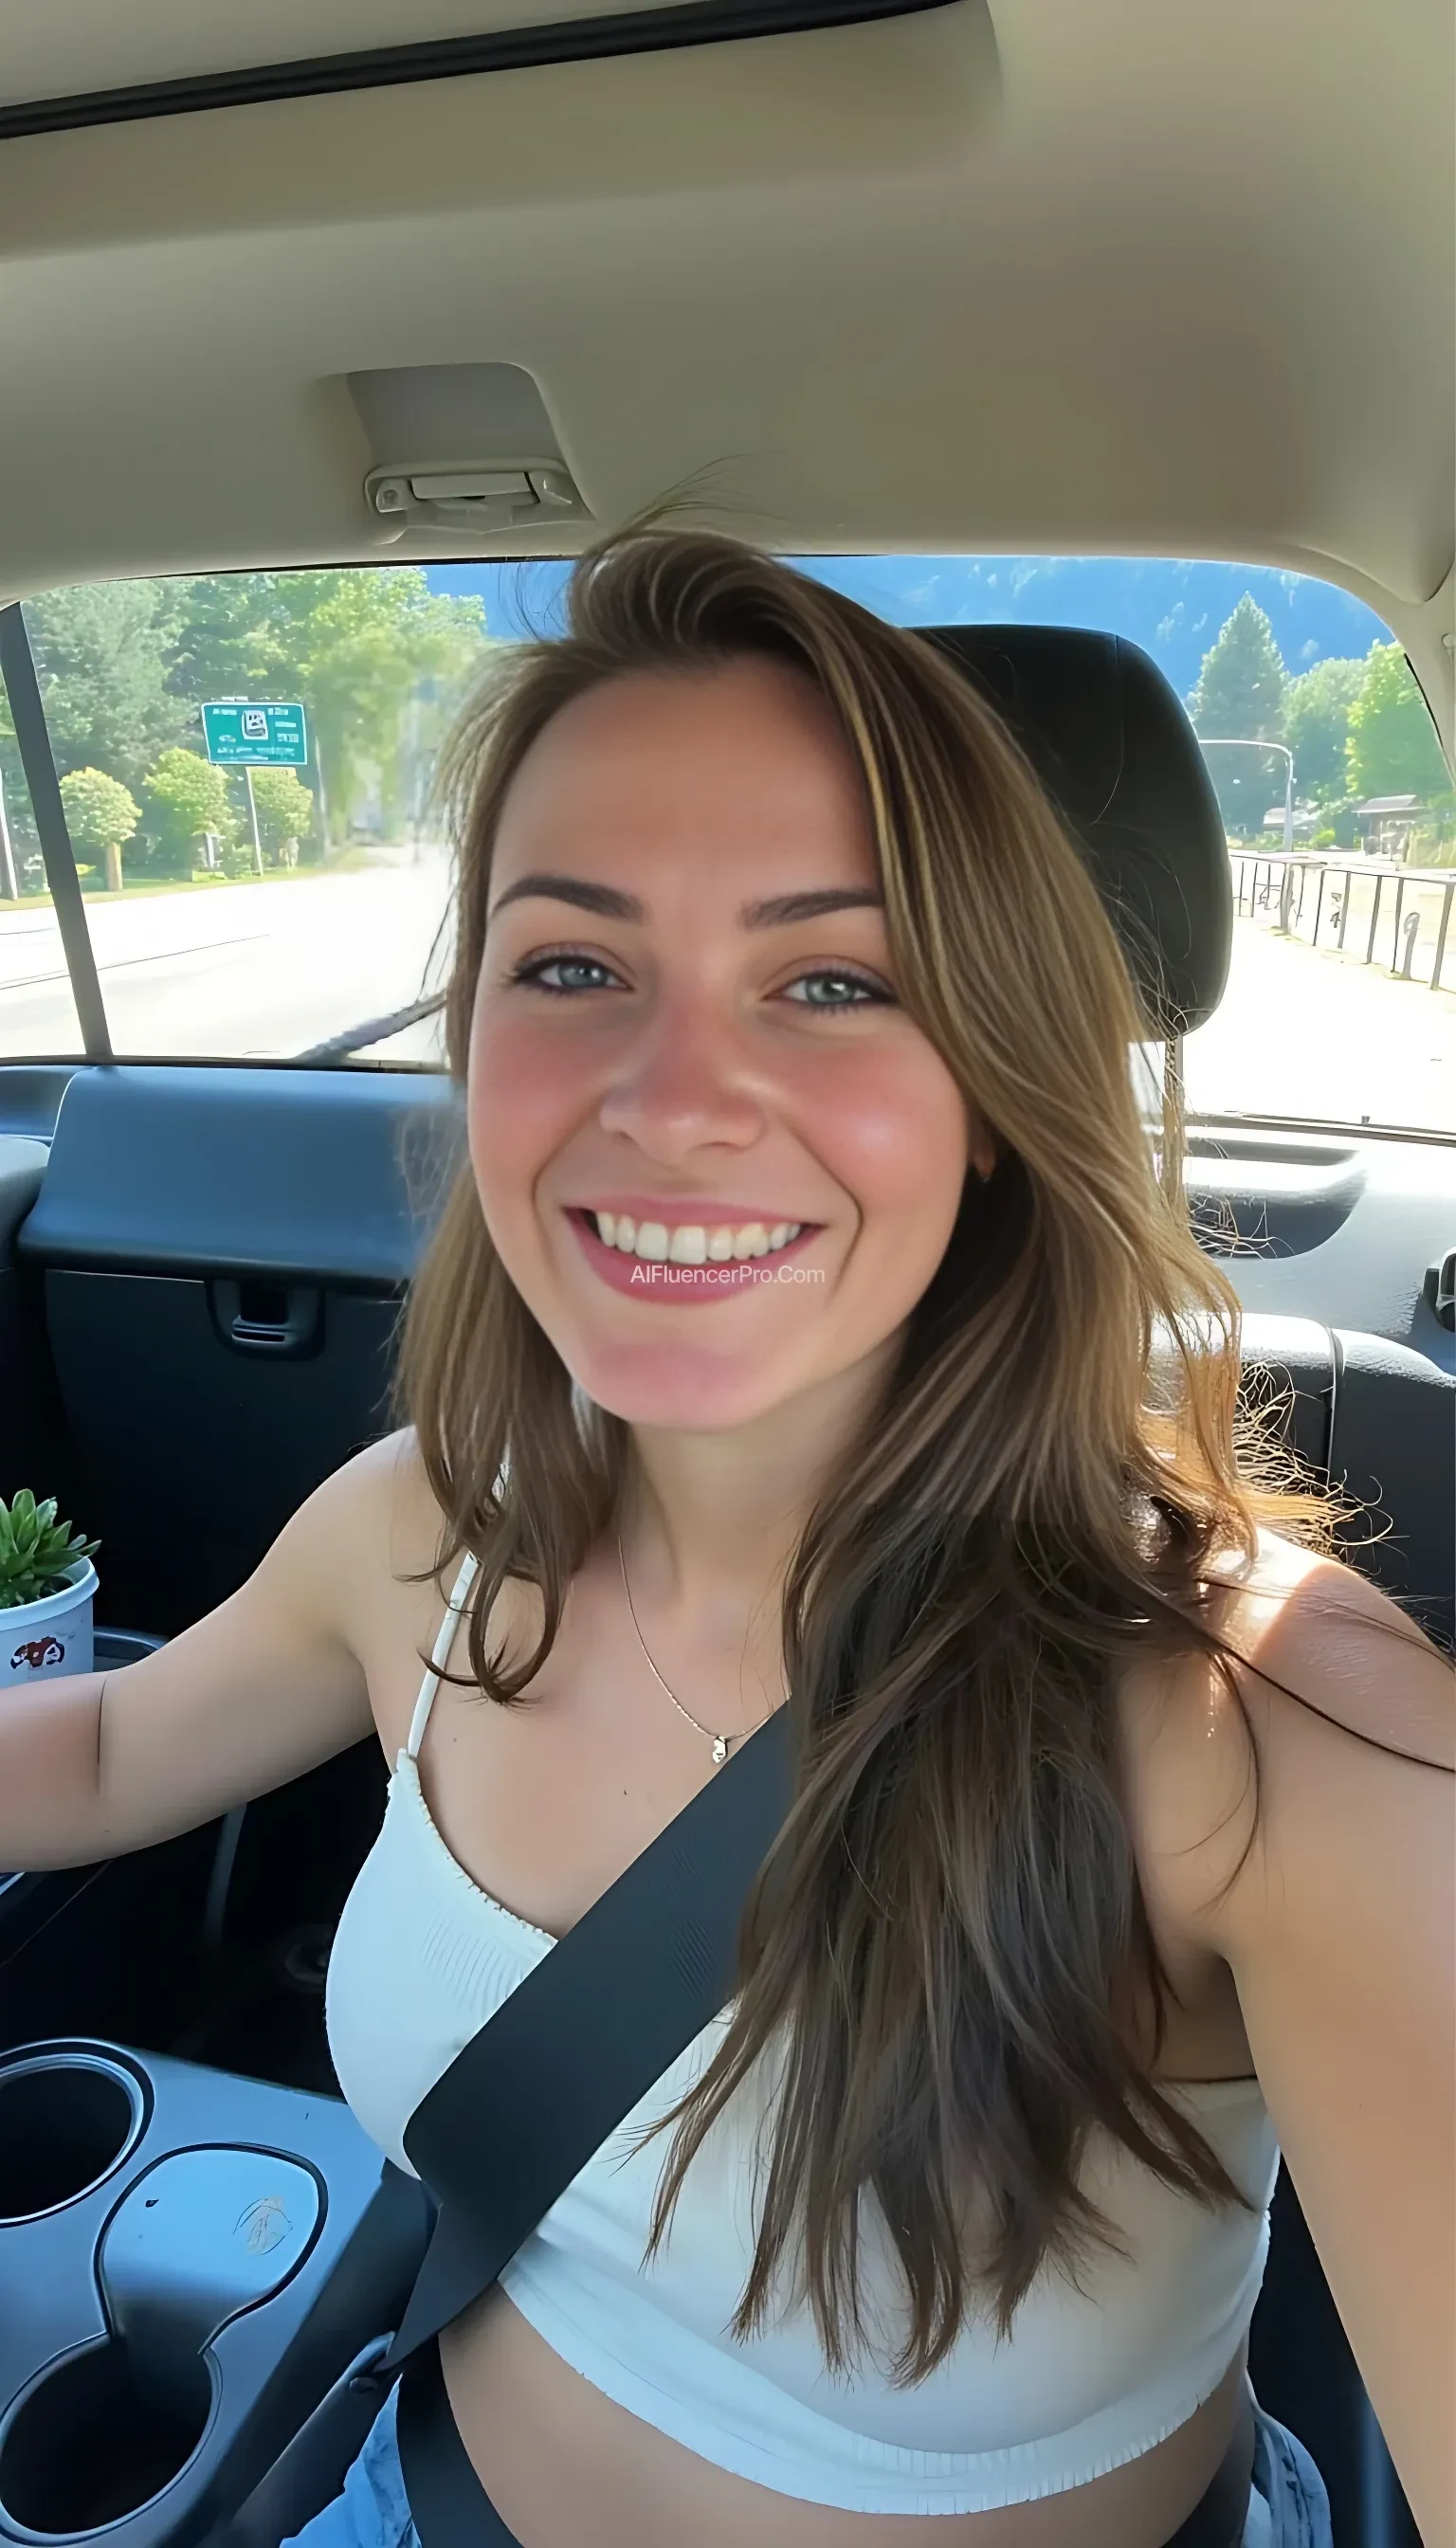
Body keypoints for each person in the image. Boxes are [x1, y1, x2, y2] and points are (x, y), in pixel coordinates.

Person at [3, 531, 1450, 2548]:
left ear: (997, 1083)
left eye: (835, 980)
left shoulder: (1269, 1728)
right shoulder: (429, 1521)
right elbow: (100, 1748)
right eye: (574, 966)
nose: (674, 1099)